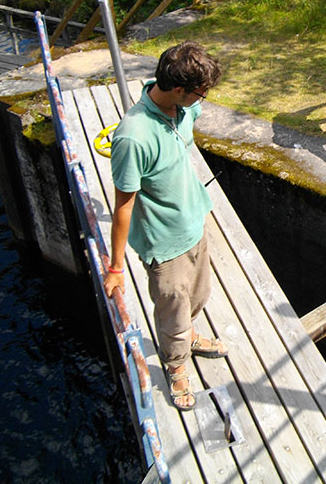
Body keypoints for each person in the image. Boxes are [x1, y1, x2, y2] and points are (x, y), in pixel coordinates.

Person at [103, 41, 227, 412]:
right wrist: (115, 267)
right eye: (200, 93)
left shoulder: (182, 109)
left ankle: (186, 336)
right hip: (164, 243)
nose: (203, 99)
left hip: (195, 222)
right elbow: (123, 206)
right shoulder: (133, 137)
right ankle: (176, 366)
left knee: (199, 296)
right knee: (172, 311)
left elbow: (195, 109)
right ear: (178, 90)